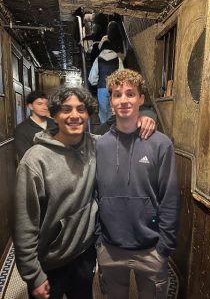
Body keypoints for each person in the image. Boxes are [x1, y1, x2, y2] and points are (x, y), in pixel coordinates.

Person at [12, 86, 156, 299]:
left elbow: (121, 135)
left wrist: (144, 118)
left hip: (84, 255)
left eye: (81, 109)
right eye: (66, 109)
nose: (74, 116)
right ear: (55, 114)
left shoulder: (96, 146)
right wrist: (33, 275)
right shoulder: (34, 161)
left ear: (88, 114)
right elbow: (24, 223)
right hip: (50, 260)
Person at [95, 69, 180, 299]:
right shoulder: (99, 145)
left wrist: (164, 248)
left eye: (130, 94)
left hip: (151, 249)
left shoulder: (161, 144)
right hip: (110, 248)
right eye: (117, 94)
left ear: (141, 99)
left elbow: (170, 198)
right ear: (110, 101)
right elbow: (94, 195)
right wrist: (98, 239)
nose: (123, 100)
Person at [88, 38, 124, 123]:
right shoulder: (118, 59)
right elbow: (123, 75)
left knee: (103, 112)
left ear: (102, 48)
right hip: (115, 88)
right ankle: (114, 129)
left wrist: (97, 82)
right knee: (114, 110)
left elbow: (92, 79)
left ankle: (104, 131)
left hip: (102, 88)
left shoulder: (98, 59)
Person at [14, 90, 55, 160]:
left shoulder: (55, 123)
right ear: (30, 106)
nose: (45, 107)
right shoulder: (21, 130)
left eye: (46, 104)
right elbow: (25, 157)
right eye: (39, 104)